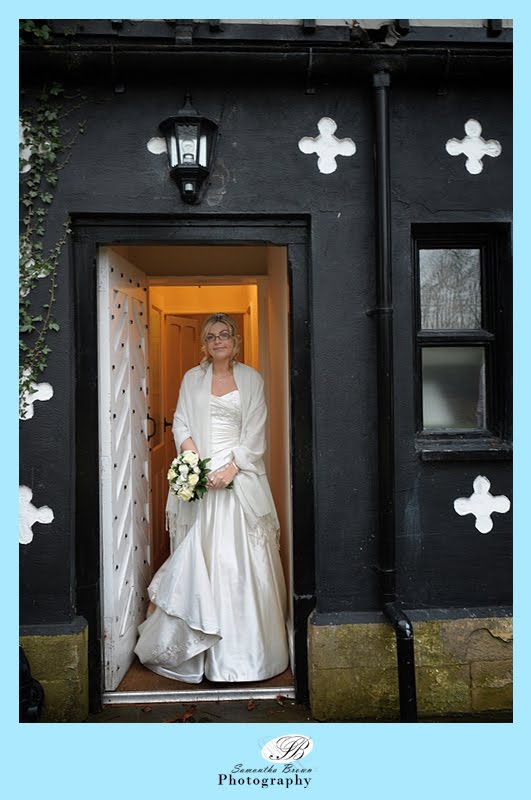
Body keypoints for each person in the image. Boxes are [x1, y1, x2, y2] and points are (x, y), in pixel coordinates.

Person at [134, 312, 289, 683]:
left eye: (224, 334)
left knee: (239, 560)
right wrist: (193, 463)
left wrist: (232, 469)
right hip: (202, 479)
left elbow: (256, 430)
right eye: (211, 336)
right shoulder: (193, 378)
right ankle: (193, 647)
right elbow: (181, 422)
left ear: (235, 341)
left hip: (239, 478)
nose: (218, 341)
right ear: (204, 344)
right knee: (200, 553)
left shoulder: (251, 379)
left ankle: (246, 654)